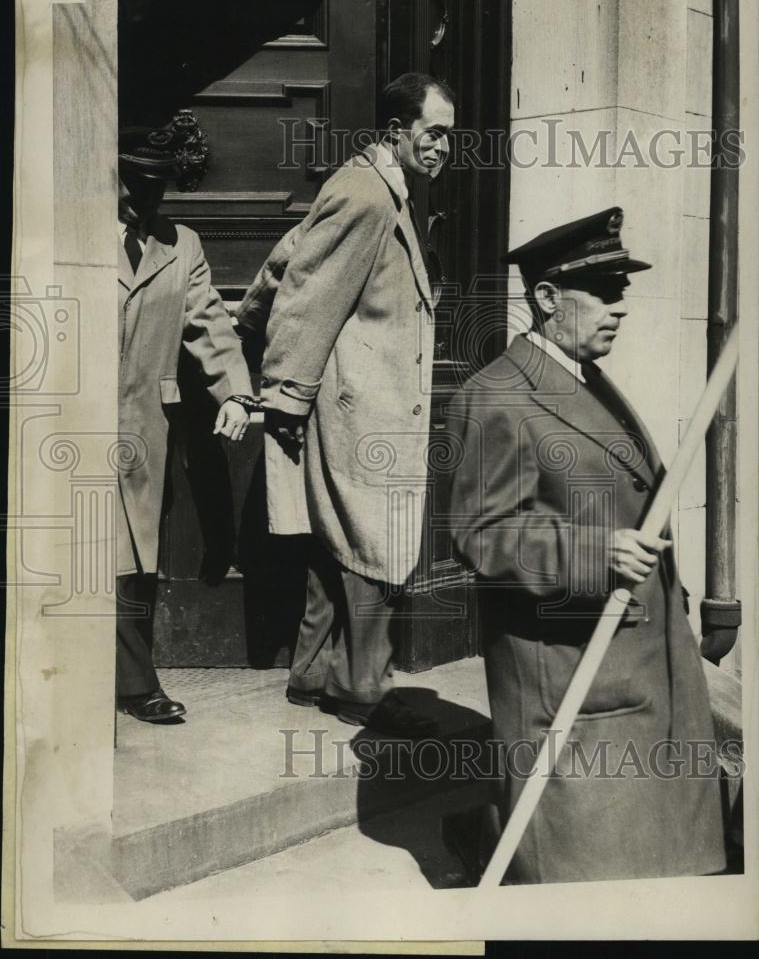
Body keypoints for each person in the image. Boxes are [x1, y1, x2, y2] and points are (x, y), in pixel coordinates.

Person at [445, 207, 726, 882]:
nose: (617, 307)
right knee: (586, 875)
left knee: (648, 871)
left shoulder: (587, 381)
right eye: (600, 290)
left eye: (620, 289)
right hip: (571, 676)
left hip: (635, 663)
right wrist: (595, 553)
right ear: (545, 299)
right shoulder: (497, 398)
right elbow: (480, 536)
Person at [236, 73, 456, 736]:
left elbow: (282, 266)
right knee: (373, 542)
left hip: (364, 399)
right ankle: (363, 687)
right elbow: (306, 295)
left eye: (449, 135)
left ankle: (310, 672)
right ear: (396, 130)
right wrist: (285, 396)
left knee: (339, 537)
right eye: (434, 133)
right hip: (360, 406)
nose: (445, 147)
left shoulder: (378, 189)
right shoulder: (366, 194)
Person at [117, 127, 257, 723]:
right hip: (64, 425)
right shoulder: (62, 230)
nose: (145, 198)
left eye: (157, 185)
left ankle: (131, 681)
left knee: (131, 553)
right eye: (135, 182)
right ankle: (128, 680)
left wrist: (236, 395)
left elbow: (210, 325)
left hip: (143, 426)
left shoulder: (184, 245)